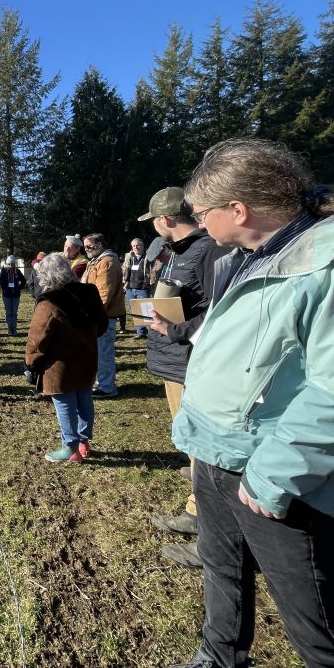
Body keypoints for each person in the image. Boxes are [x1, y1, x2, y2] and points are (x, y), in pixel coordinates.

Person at [166, 139, 334, 668]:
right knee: (222, 569)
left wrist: (273, 475)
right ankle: (219, 654)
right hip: (217, 453)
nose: (200, 225)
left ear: (238, 209)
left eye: (204, 213)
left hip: (278, 472)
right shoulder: (253, 257)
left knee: (314, 621)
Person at [134, 187, 229, 569]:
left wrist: (175, 330)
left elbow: (219, 311)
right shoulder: (177, 252)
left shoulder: (210, 251)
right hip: (174, 360)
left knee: (203, 445)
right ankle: (195, 511)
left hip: (192, 360)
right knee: (189, 439)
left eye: (155, 221)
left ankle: (215, 535)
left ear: (165, 219)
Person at [25, 253, 107, 463]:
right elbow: (102, 324)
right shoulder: (90, 292)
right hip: (87, 357)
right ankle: (83, 441)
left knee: (65, 403)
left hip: (59, 364)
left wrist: (31, 363)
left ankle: (69, 446)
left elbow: (38, 338)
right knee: (84, 397)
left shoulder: (49, 302)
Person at [80, 233, 124, 398]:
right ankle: (101, 383)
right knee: (98, 352)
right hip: (97, 314)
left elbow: (103, 292)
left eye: (89, 246)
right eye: (85, 247)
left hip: (102, 317)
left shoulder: (107, 262)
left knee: (104, 353)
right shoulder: (97, 261)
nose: (86, 249)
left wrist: (94, 315)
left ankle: (107, 388)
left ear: (99, 244)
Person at [121, 237, 152, 337]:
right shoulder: (129, 257)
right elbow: (125, 271)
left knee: (146, 311)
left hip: (143, 289)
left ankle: (151, 332)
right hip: (130, 288)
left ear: (142, 246)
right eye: (134, 246)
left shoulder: (149, 257)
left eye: (138, 245)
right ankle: (140, 332)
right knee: (134, 311)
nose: (136, 247)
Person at [0, 255, 27, 336]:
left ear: (15, 264)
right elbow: (0, 282)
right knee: (8, 312)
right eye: (9, 264)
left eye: (12, 264)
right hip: (6, 295)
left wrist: (19, 288)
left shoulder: (17, 271)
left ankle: (14, 328)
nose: (11, 266)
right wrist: (5, 289)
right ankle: (9, 328)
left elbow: (23, 281)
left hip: (15, 296)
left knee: (14, 312)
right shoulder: (3, 272)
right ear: (7, 264)